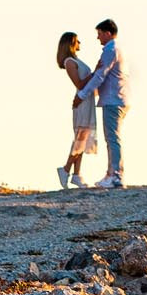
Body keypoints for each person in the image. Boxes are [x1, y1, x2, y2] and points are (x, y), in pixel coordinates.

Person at [72, 19, 128, 188]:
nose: (98, 38)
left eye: (100, 34)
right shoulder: (114, 49)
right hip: (116, 98)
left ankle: (116, 176)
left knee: (112, 138)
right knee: (111, 137)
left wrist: (82, 94)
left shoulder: (111, 50)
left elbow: (100, 75)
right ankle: (111, 174)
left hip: (113, 100)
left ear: (108, 33)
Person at [56, 31, 96, 188]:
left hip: (87, 100)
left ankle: (77, 174)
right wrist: (94, 74)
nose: (80, 43)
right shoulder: (69, 62)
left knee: (83, 138)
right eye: (78, 41)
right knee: (80, 137)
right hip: (82, 103)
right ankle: (66, 169)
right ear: (71, 43)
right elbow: (79, 84)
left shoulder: (76, 60)